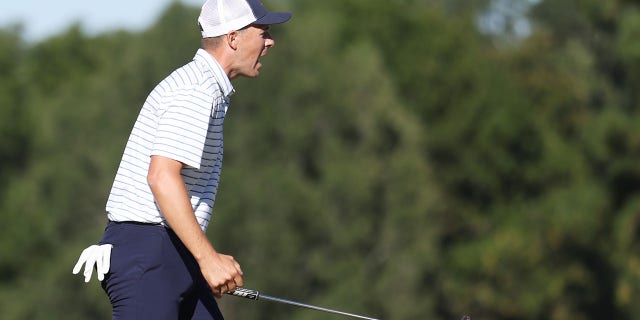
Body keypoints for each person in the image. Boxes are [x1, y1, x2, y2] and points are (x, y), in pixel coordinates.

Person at [72, 0, 291, 318]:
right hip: (148, 254)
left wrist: (199, 256)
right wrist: (208, 258)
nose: (270, 42)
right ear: (233, 38)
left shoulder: (206, 88)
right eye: (264, 32)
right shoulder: (196, 90)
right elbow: (161, 177)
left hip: (169, 251)